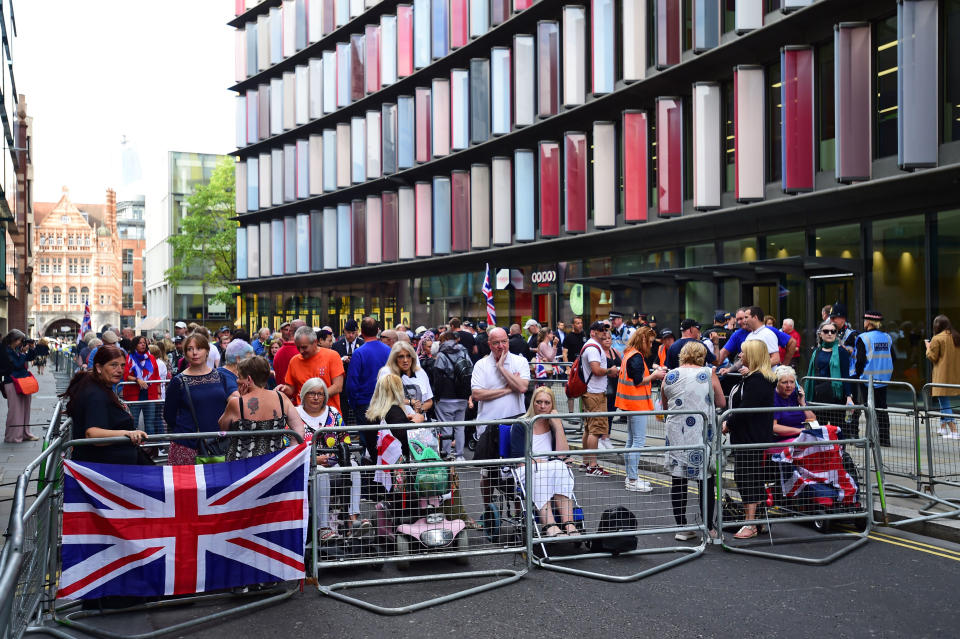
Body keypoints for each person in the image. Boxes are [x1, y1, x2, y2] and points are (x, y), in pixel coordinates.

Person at [661, 341, 725, 539]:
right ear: (702, 355)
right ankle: (710, 527)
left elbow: (664, 407)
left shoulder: (670, 376)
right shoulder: (708, 373)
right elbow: (721, 402)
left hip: (675, 433)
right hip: (700, 431)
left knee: (678, 480)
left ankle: (682, 527)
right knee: (705, 479)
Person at [297, 377, 367, 539]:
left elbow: (345, 441)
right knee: (320, 473)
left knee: (353, 467)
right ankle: (323, 528)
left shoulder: (334, 413)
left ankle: (352, 522)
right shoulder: (295, 414)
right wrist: (314, 458)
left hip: (333, 463)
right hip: (307, 467)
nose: (316, 397)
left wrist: (333, 458)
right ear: (304, 395)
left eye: (320, 394)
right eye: (312, 393)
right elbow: (290, 445)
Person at [723, 340, 776, 539]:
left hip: (751, 437)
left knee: (747, 478)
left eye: (743, 353)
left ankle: (751, 524)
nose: (740, 355)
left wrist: (727, 422)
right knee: (748, 477)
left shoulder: (758, 380)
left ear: (752, 355)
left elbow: (745, 410)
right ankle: (758, 521)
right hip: (746, 436)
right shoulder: (753, 377)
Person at [63, 345, 148, 465]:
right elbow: (92, 434)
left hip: (112, 463)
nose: (119, 370)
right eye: (113, 365)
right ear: (98, 368)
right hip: (103, 468)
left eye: (122, 365)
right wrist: (128, 433)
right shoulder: (95, 394)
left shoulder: (98, 386)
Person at [513, 387, 579, 537]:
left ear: (552, 405)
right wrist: (541, 462)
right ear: (533, 404)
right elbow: (519, 460)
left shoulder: (552, 424)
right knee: (541, 470)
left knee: (561, 467)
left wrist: (558, 425)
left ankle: (569, 524)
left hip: (550, 468)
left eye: (547, 403)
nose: (542, 406)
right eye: (539, 402)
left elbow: (562, 456)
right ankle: (549, 525)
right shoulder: (521, 424)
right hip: (527, 469)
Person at [218, 356, 305, 461]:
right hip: (274, 462)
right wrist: (289, 456)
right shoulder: (281, 398)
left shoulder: (237, 403)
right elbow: (299, 430)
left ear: (249, 379)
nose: (237, 380)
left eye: (240, 376)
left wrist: (241, 398)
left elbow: (223, 427)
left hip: (242, 465)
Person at [163, 333, 231, 465]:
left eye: (199, 348)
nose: (194, 353)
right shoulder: (178, 381)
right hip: (188, 446)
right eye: (190, 349)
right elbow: (169, 415)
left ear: (207, 351)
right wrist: (186, 433)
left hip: (218, 444)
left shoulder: (220, 376)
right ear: (185, 353)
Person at [615, 327, 665, 492]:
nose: (650, 345)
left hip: (630, 404)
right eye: (649, 342)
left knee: (631, 441)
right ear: (643, 339)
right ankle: (632, 479)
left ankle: (631, 476)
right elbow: (638, 381)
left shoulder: (629, 353)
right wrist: (655, 375)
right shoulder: (636, 356)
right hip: (637, 404)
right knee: (637, 442)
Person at [347, 317, 392, 459]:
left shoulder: (359, 353)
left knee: (366, 441)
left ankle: (368, 474)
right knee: (386, 438)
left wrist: (354, 403)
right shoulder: (388, 350)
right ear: (378, 331)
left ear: (361, 332)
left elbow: (352, 383)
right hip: (386, 401)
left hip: (365, 403)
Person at [580, 321, 620, 477]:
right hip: (595, 393)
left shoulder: (592, 346)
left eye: (605, 330)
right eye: (600, 330)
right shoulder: (593, 348)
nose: (604, 333)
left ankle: (586, 463)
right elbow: (596, 370)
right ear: (592, 332)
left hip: (592, 391)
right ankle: (592, 466)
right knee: (595, 431)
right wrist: (611, 370)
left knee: (589, 429)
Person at [802, 321, 854, 429]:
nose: (829, 333)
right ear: (820, 334)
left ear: (836, 334)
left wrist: (849, 397)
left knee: (837, 430)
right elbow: (812, 373)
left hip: (836, 397)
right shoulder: (816, 351)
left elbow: (845, 375)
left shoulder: (841, 352)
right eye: (826, 331)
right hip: (818, 397)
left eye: (833, 331)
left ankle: (839, 447)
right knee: (820, 430)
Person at [280, 326, 345, 410]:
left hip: (328, 414)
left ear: (315, 342)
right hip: (304, 415)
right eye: (298, 347)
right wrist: (284, 389)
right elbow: (291, 388)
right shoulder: (294, 361)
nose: (301, 351)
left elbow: (338, 386)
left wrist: (314, 398)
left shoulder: (332, 356)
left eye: (304, 347)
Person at [855, 310, 895, 445]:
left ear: (868, 322)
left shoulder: (863, 338)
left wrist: (858, 373)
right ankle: (884, 439)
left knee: (869, 409)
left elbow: (859, 360)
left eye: (865, 320)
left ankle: (871, 439)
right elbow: (892, 357)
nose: (864, 322)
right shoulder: (887, 337)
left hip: (867, 379)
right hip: (883, 378)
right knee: (882, 408)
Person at [432, 331, 472, 460]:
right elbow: (470, 369)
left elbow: (437, 376)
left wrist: (436, 396)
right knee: (460, 427)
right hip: (462, 395)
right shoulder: (464, 352)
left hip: (445, 396)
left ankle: (447, 455)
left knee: (446, 427)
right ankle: (460, 455)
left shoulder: (442, 354)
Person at [366, 373, 424, 457]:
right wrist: (415, 422)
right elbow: (401, 435)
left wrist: (406, 420)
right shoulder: (394, 411)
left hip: (378, 462)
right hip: (395, 465)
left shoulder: (373, 412)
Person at [378, 341, 434, 418]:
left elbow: (429, 401)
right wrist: (410, 402)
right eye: (401, 356)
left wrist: (419, 408)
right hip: (395, 424)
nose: (405, 360)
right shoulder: (387, 372)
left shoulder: (420, 372)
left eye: (408, 356)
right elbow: (385, 400)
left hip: (419, 424)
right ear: (394, 358)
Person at [2, 330, 39, 443]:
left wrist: (31, 349)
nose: (21, 342)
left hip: (23, 382)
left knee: (25, 409)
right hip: (12, 383)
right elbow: (17, 365)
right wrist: (23, 354)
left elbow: (30, 358)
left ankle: (25, 433)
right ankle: (13, 436)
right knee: (15, 411)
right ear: (13, 340)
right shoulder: (6, 351)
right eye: (20, 340)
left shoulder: (15, 350)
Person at [926, 315, 960, 438]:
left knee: (944, 401)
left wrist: (928, 348)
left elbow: (932, 357)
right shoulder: (956, 336)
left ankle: (954, 430)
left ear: (937, 326)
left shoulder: (937, 338)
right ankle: (943, 427)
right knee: (942, 400)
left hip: (942, 375)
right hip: (954, 374)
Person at [122, 335, 162, 436]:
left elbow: (157, 376)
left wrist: (159, 393)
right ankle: (135, 448)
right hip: (134, 395)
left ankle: (151, 448)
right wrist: (137, 379)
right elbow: (126, 375)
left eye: (144, 342)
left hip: (150, 394)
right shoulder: (129, 358)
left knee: (150, 424)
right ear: (135, 345)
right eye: (140, 343)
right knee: (133, 422)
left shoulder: (151, 357)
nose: (143, 344)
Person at [772, 366, 817, 442]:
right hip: (783, 440)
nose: (789, 386)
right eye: (784, 382)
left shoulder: (796, 394)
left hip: (802, 436)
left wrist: (803, 404)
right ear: (776, 383)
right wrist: (799, 430)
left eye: (792, 382)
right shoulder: (773, 397)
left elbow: (813, 420)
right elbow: (774, 427)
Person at [272, 319, 304, 390]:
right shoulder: (304, 352)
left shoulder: (278, 353)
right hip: (300, 398)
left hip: (282, 397)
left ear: (289, 332)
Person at [601, 332, 621, 435]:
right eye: (605, 339)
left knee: (611, 413)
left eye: (609, 338)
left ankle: (607, 436)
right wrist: (609, 370)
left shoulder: (615, 351)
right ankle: (603, 436)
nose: (608, 340)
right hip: (605, 387)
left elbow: (622, 365)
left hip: (616, 386)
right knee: (605, 414)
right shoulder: (599, 353)